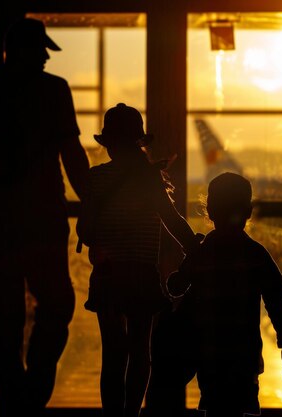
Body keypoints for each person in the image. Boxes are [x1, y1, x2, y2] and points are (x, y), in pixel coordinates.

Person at [0, 18, 90, 417]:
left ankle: (14, 401)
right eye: (40, 49)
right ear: (19, 50)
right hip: (43, 220)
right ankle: (32, 389)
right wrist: (95, 201)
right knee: (56, 305)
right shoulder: (54, 92)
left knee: (5, 318)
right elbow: (72, 157)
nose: (45, 56)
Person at [77, 102, 201, 417]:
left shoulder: (96, 179)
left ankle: (113, 416)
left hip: (107, 275)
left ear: (108, 145)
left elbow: (86, 232)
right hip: (142, 275)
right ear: (138, 142)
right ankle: (132, 413)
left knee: (113, 354)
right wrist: (194, 247)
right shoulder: (150, 178)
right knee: (140, 351)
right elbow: (171, 219)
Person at [165, 172, 282, 417]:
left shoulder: (202, 253)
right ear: (248, 211)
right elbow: (276, 300)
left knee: (215, 408)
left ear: (210, 211)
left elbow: (176, 287)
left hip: (209, 352)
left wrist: (187, 255)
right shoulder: (256, 254)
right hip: (244, 354)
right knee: (239, 409)